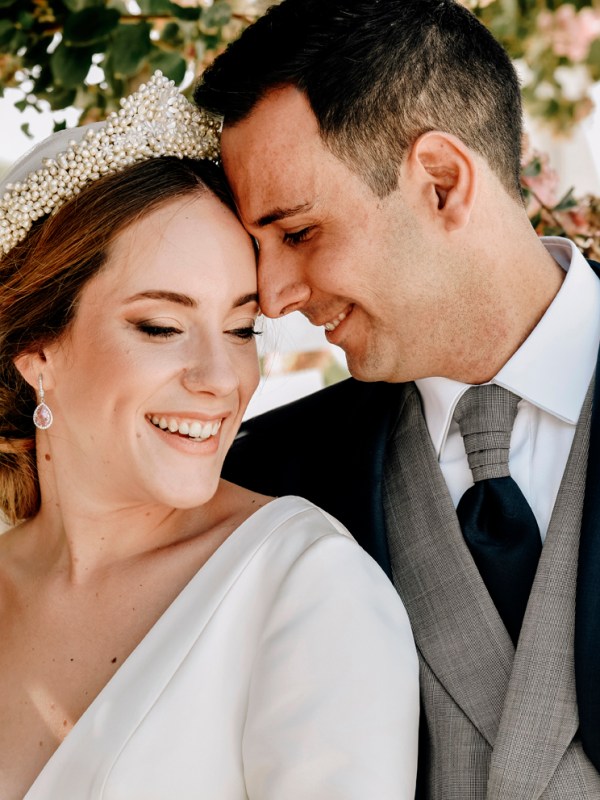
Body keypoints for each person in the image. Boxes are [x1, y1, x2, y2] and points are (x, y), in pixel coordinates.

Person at [194, 1, 600, 797]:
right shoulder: (266, 479)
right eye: (257, 247)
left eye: (298, 233)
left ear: (442, 183)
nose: (272, 296)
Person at [0, 72, 419, 799]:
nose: (222, 378)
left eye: (241, 329)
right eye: (162, 327)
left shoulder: (303, 584)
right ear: (37, 349)